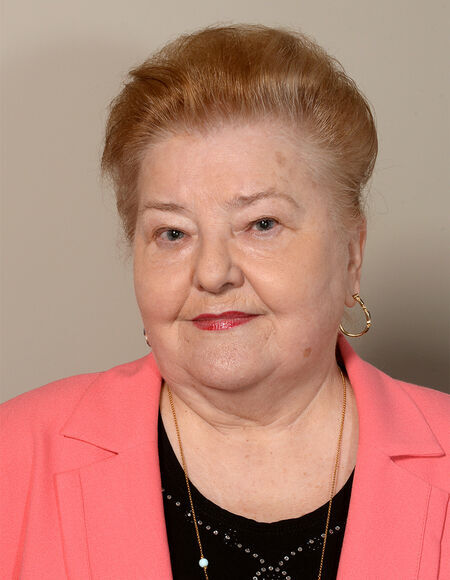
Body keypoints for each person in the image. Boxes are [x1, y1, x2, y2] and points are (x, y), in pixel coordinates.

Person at [1, 23, 449, 580]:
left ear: (351, 252)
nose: (212, 274)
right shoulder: (13, 456)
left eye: (261, 224)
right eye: (172, 233)